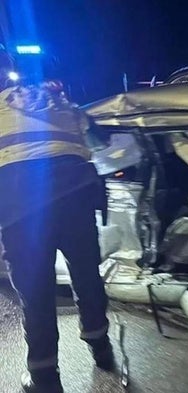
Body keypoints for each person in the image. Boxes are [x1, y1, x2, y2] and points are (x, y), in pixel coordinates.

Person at [0, 58, 113, 393]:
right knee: (87, 275)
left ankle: (44, 378)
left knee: (36, 293)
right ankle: (101, 349)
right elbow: (99, 144)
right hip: (75, 195)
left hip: (24, 206)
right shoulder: (63, 103)